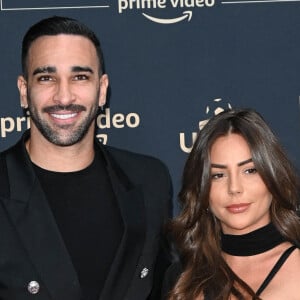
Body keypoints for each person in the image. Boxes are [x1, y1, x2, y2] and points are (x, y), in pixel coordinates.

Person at [0, 16, 172, 300]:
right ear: (23, 91)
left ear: (102, 89)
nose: (64, 96)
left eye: (80, 77)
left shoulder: (149, 180)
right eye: (46, 78)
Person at [162, 108, 300, 300]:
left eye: (250, 171)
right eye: (218, 175)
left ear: (273, 177)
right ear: (202, 189)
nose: (234, 188)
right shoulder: (181, 278)